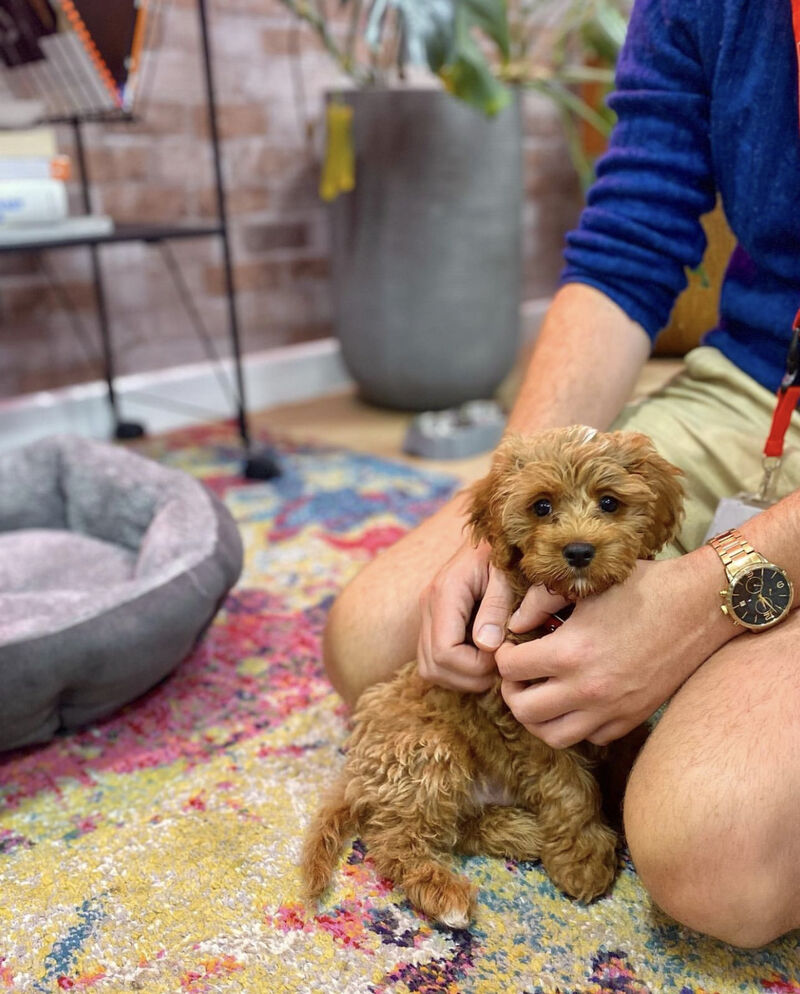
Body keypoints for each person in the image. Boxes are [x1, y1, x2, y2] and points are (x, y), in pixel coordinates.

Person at [323, 0, 800, 949]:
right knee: (376, 637)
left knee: (712, 852)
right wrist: (502, 508)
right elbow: (630, 236)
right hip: (762, 374)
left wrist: (713, 593)